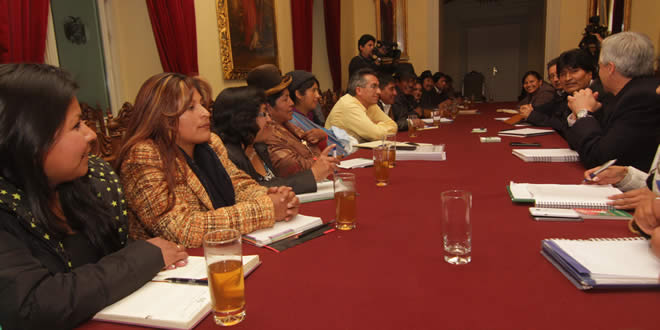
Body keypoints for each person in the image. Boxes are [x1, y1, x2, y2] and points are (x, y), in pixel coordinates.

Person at [0, 63, 188, 329]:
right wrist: (142, 258)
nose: (90, 135)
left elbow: (113, 253)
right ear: (28, 138)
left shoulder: (89, 183)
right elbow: (34, 305)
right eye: (76, 125)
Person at [116, 72, 299, 248]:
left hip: (223, 248)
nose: (206, 113)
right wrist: (267, 209)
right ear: (163, 117)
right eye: (191, 107)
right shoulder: (144, 155)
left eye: (203, 105)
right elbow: (183, 229)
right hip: (178, 267)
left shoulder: (211, 143)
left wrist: (275, 198)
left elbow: (237, 184)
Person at [565, 32, 660, 172]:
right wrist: (585, 114)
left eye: (599, 66)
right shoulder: (618, 95)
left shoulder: (641, 98)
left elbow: (599, 160)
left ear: (610, 68)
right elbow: (583, 144)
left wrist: (583, 114)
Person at [212, 86, 334, 194]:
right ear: (243, 119)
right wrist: (313, 175)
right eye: (264, 114)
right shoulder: (228, 156)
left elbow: (277, 182)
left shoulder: (259, 147)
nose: (269, 120)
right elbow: (256, 191)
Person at [247, 64, 337, 178]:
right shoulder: (265, 134)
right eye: (285, 99)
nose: (292, 103)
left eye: (290, 97)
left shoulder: (286, 124)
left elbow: (312, 151)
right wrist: (319, 159)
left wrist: (321, 138)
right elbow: (294, 168)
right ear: (268, 106)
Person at [520, 49, 599, 136]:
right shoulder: (568, 94)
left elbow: (563, 127)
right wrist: (532, 110)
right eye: (563, 74)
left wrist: (533, 116)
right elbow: (550, 108)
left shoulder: (598, 95)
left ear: (590, 73)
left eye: (574, 71)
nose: (567, 78)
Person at [285, 70, 348, 157]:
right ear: (298, 94)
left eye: (317, 91)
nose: (318, 95)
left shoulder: (313, 113)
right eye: (313, 91)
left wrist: (324, 135)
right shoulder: (292, 121)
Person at [325, 68, 397, 142]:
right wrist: (378, 127)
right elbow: (375, 134)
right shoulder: (349, 105)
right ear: (359, 90)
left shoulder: (370, 104)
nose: (379, 91)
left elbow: (393, 125)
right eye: (373, 86)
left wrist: (376, 128)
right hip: (339, 152)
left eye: (378, 87)